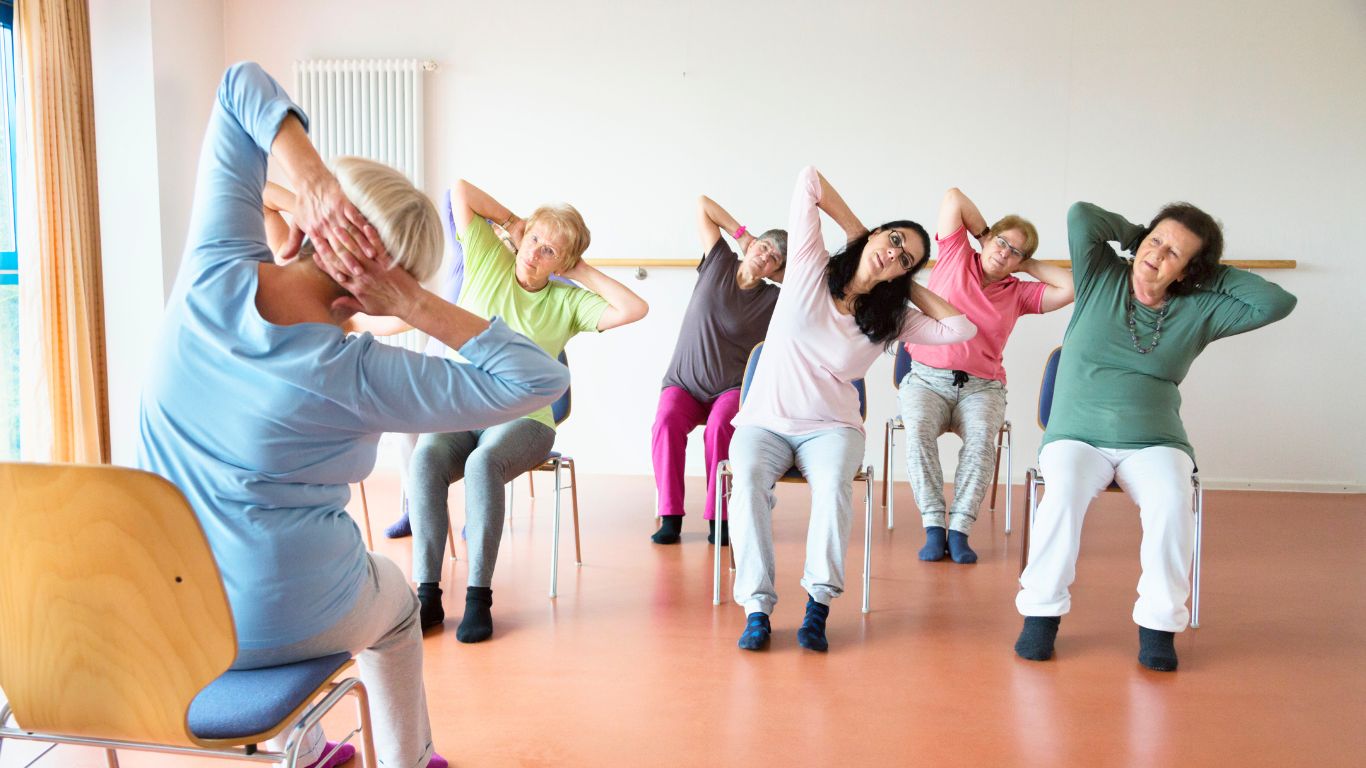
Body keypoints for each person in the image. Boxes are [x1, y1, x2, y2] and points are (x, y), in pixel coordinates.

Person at [138, 61, 570, 768]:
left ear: (313, 221)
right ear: (378, 290)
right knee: (397, 605)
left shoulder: (210, 270)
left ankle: (307, 751)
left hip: (163, 605)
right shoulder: (364, 373)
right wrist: (413, 304)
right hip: (278, 613)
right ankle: (408, 759)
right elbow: (539, 380)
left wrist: (309, 178)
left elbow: (238, 86)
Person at [1014, 200, 1296, 671]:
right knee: (1060, 497)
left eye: (1175, 254)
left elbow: (1278, 302)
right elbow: (1082, 215)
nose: (1158, 255)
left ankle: (1159, 626)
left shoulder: (1200, 309)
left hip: (1155, 442)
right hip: (1075, 436)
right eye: (1156, 241)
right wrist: (1139, 232)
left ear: (1189, 271)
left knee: (1170, 500)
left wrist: (1213, 272)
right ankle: (1040, 617)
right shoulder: (1100, 274)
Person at [728, 166, 977, 652]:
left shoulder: (894, 317)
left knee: (832, 487)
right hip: (764, 422)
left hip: (832, 429)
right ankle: (757, 608)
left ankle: (817, 606)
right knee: (748, 481)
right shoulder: (808, 264)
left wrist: (905, 285)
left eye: (907, 258)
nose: (894, 253)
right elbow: (808, 180)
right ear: (879, 231)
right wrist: (859, 233)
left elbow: (960, 329)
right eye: (895, 240)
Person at [407, 178, 649, 644]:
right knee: (424, 460)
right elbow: (462, 190)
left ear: (565, 263)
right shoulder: (487, 258)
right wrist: (514, 223)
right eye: (535, 239)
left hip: (526, 421)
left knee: (483, 464)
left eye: (551, 252)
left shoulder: (567, 300)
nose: (536, 253)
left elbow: (634, 307)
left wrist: (581, 273)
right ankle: (428, 596)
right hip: (462, 411)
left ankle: (479, 597)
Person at [900, 188, 1075, 564]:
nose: (1004, 253)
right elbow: (952, 199)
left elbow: (1070, 288)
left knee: (981, 444)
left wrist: (1025, 265)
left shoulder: (1019, 294)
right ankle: (933, 525)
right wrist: (982, 237)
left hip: (982, 387)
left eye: (1015, 251)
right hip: (927, 379)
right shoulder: (955, 256)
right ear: (988, 239)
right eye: (1001, 243)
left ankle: (960, 529)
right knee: (916, 433)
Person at [650, 194, 785, 546]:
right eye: (766, 246)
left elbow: (810, 283)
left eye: (775, 258)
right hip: (683, 383)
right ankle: (670, 516)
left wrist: (780, 269)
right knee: (665, 421)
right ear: (754, 242)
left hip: (729, 389)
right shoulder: (719, 261)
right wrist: (743, 236)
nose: (766, 255)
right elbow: (703, 205)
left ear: (778, 270)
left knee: (720, 427)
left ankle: (719, 518)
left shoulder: (773, 299)